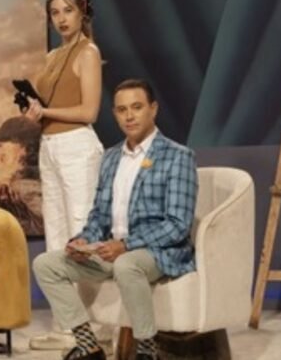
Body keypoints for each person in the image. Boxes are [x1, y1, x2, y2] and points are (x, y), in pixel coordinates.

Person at [33, 79, 198, 360]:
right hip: (111, 251)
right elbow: (99, 215)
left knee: (126, 264)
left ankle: (147, 351)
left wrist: (126, 245)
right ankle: (89, 347)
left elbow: (178, 225)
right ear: (115, 114)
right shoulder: (110, 158)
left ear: (153, 109)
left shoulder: (177, 156)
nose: (129, 116)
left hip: (158, 252)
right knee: (46, 264)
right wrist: (82, 240)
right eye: (122, 110)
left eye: (137, 107)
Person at [24, 0, 106, 350]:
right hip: (50, 146)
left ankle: (93, 324)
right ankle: (66, 326)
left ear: (82, 11)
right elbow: (48, 108)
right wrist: (35, 112)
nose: (61, 18)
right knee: (56, 236)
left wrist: (47, 112)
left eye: (68, 10)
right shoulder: (52, 56)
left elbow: (89, 111)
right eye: (55, 12)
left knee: (81, 232)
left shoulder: (88, 52)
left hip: (76, 147)